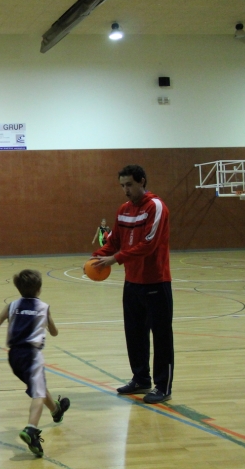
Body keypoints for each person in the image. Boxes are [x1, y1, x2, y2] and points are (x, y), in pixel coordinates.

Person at [92, 164, 174, 404]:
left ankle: (163, 386)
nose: (125, 190)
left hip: (156, 282)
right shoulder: (123, 210)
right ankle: (141, 379)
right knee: (135, 334)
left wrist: (115, 259)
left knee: (161, 337)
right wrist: (96, 257)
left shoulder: (156, 207)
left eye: (129, 184)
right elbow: (114, 242)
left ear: (142, 181)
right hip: (132, 282)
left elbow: (148, 244)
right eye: (122, 186)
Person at [0, 269, 70, 458]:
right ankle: (31, 429)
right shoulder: (43, 307)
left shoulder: (12, 305)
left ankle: (56, 411)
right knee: (38, 392)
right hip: (32, 355)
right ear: (39, 289)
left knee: (38, 385)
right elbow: (54, 332)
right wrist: (49, 324)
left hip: (14, 357)